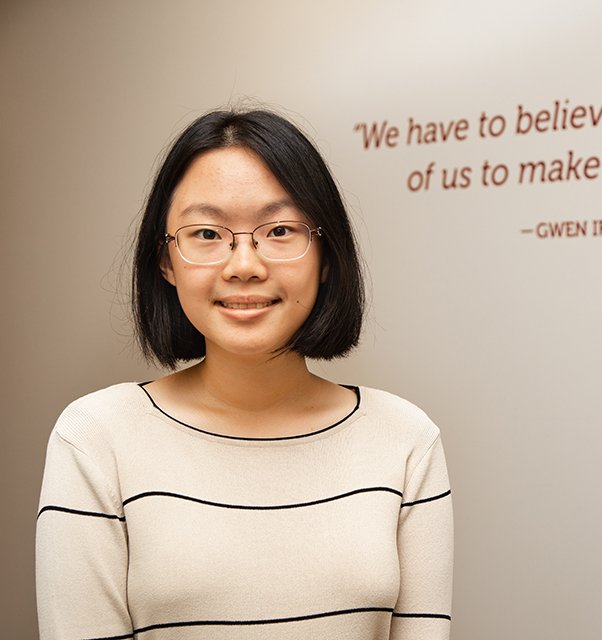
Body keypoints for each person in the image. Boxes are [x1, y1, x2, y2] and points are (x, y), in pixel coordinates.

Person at [35, 109, 453, 640]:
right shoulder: (95, 438)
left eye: (279, 230)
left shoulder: (406, 439)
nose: (244, 263)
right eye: (207, 233)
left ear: (326, 255)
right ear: (165, 262)